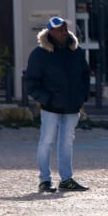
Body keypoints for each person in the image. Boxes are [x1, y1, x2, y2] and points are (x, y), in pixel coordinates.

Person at [24, 16, 91, 193]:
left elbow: (85, 77)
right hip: (50, 108)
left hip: (72, 107)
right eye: (58, 29)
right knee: (46, 142)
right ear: (49, 32)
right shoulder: (39, 54)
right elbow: (31, 82)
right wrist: (47, 99)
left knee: (67, 143)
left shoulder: (76, 51)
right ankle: (44, 181)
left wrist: (82, 97)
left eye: (64, 28)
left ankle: (66, 180)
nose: (63, 31)